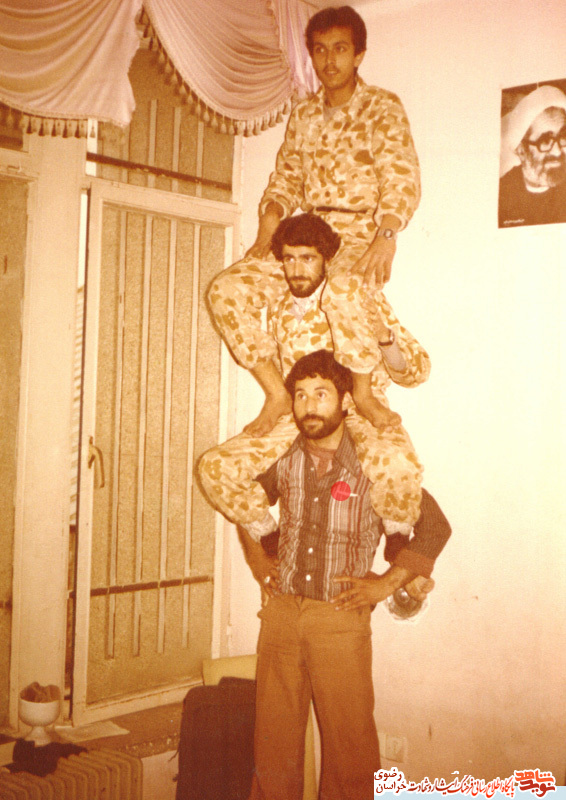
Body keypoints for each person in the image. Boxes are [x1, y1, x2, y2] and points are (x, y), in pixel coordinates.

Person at [236, 350, 451, 800]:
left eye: (321, 394)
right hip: (280, 617)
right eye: (299, 395)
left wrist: (385, 585)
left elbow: (434, 527)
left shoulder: (377, 464)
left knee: (350, 752)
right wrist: (257, 561)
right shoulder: (283, 457)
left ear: (345, 401)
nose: (308, 405)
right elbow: (242, 500)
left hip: (339, 618)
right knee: (272, 750)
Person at [207, 5, 421, 436]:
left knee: (345, 290)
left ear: (358, 55)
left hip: (360, 233)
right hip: (307, 234)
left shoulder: (382, 107)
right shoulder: (303, 114)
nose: (329, 60)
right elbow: (285, 179)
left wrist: (387, 235)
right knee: (225, 290)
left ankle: (364, 394)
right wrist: (266, 232)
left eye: (340, 49)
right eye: (320, 50)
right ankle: (276, 394)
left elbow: (401, 176)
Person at [198, 213, 430, 536]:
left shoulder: (353, 295)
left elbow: (416, 372)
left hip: (357, 408)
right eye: (289, 259)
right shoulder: (279, 306)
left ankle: (398, 535)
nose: (296, 269)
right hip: (300, 410)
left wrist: (385, 339)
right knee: (214, 468)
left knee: (399, 466)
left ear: (327, 260)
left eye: (307, 258)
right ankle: (266, 534)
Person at [499, 84, 566, 227]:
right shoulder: (503, 195)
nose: (557, 151)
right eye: (545, 140)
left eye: (562, 137)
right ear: (521, 150)